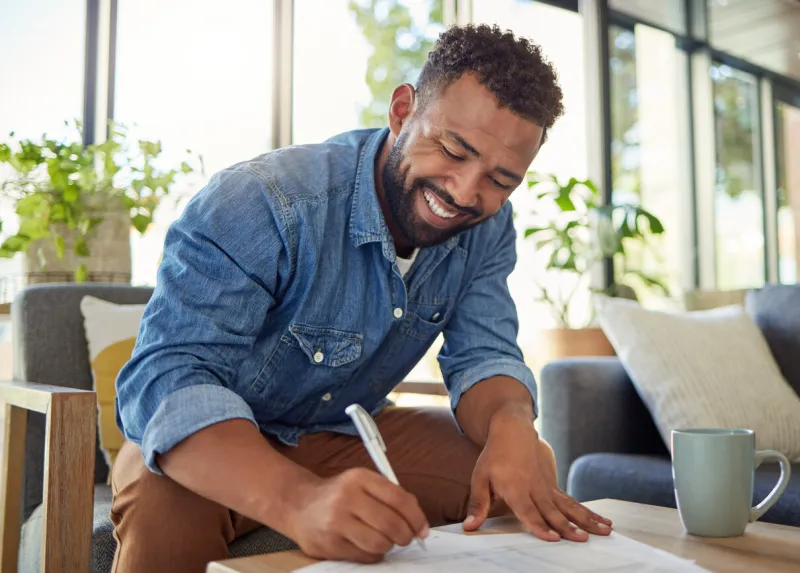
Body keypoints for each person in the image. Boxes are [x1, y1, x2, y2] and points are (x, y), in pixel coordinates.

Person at [110, 23, 612, 573]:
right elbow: (167, 381)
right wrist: (299, 500)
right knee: (163, 494)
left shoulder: (488, 228)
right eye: (452, 149)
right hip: (221, 442)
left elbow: (483, 353)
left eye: (500, 180)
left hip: (346, 436)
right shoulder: (264, 200)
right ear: (402, 111)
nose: (466, 193)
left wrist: (513, 424)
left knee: (514, 472)